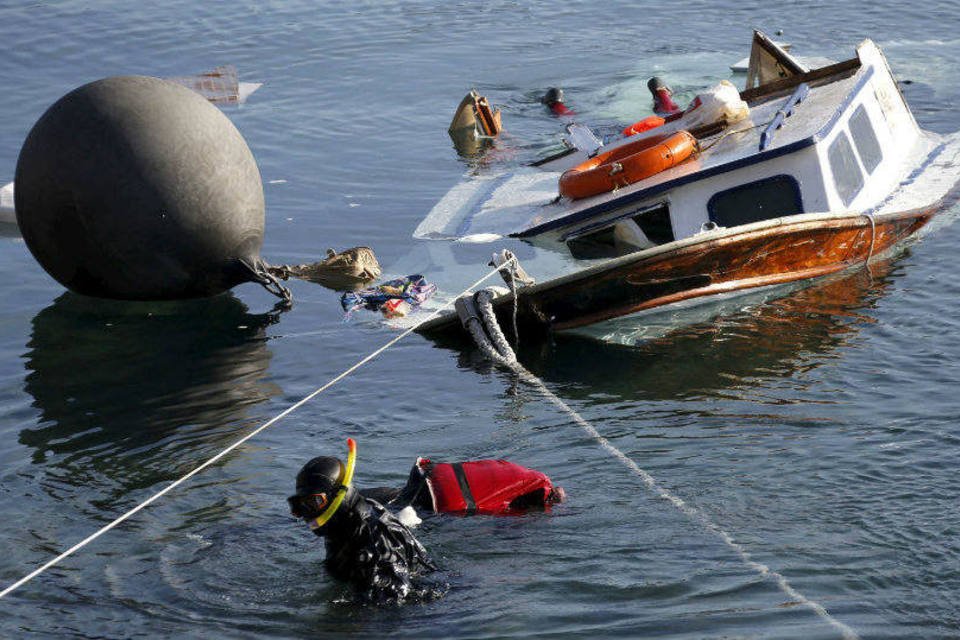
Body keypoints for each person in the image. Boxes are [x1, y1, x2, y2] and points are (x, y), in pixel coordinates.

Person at [287, 439, 436, 603]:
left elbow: (395, 601)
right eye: (300, 504)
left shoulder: (371, 542)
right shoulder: (342, 525)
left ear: (339, 496)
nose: (307, 514)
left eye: (315, 502)